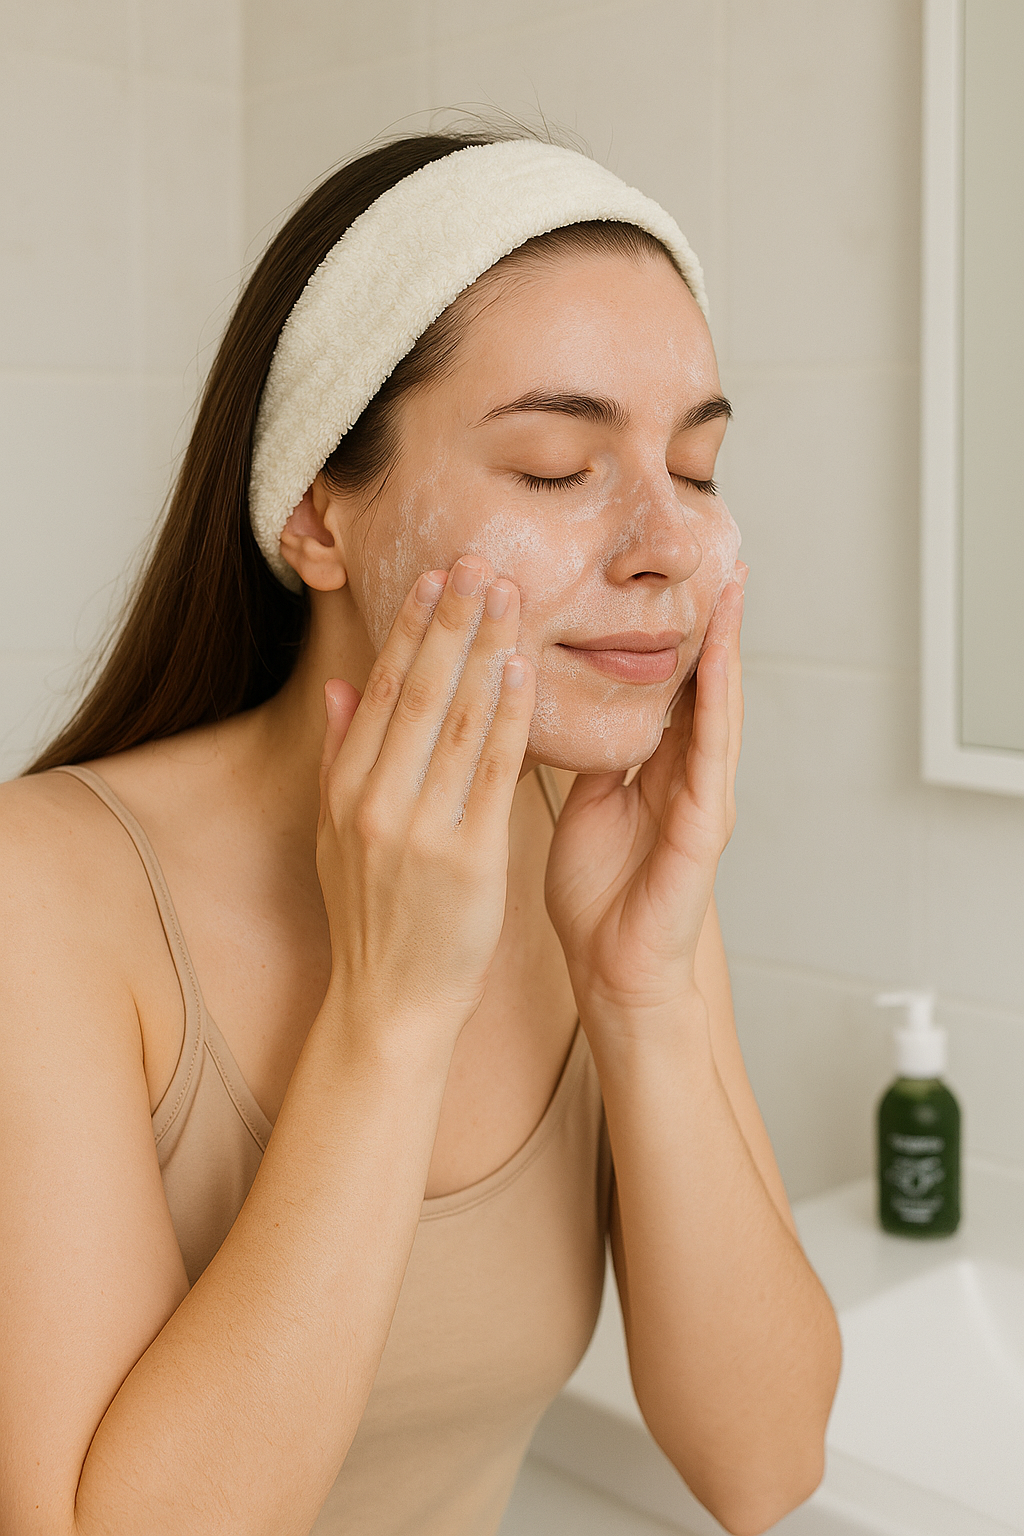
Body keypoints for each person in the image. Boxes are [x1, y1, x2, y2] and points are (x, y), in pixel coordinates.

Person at [0, 131, 841, 1536]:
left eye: (696, 469)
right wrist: (391, 1016)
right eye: (559, 467)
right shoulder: (47, 896)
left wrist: (640, 992)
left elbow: (766, 1467)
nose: (666, 545)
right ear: (321, 514)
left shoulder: (599, 861)